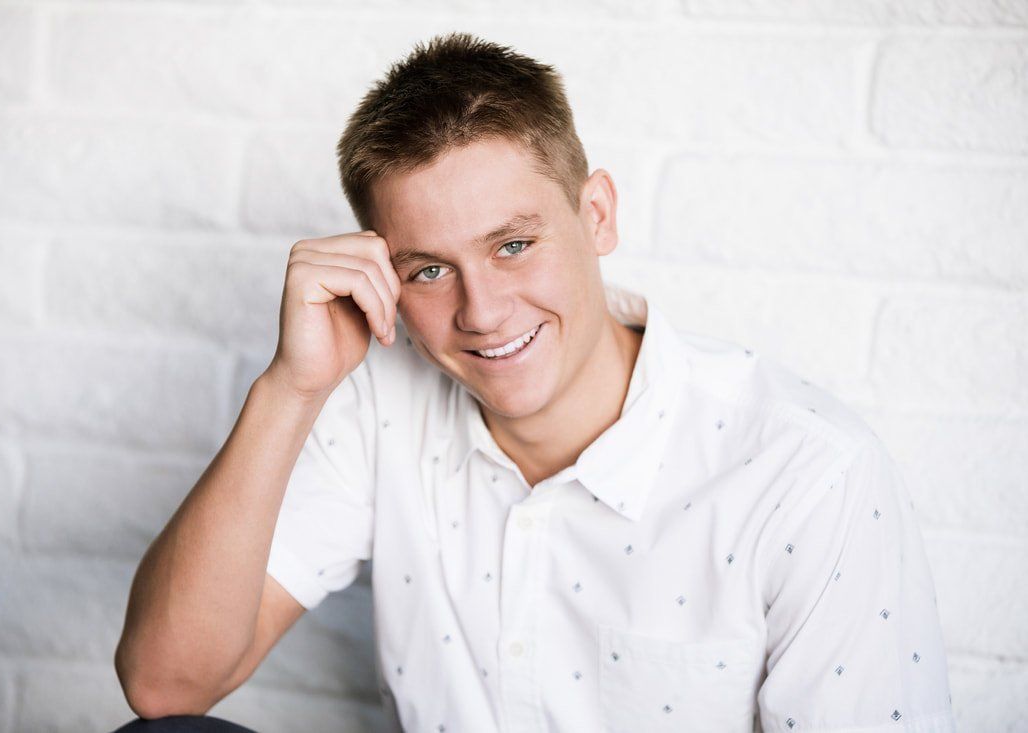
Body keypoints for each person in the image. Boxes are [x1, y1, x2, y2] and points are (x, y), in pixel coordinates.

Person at [112, 32, 957, 733]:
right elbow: (166, 687)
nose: (481, 311)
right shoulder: (377, 403)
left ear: (596, 216)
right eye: (431, 269)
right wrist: (289, 388)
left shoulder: (806, 476)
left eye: (513, 245)